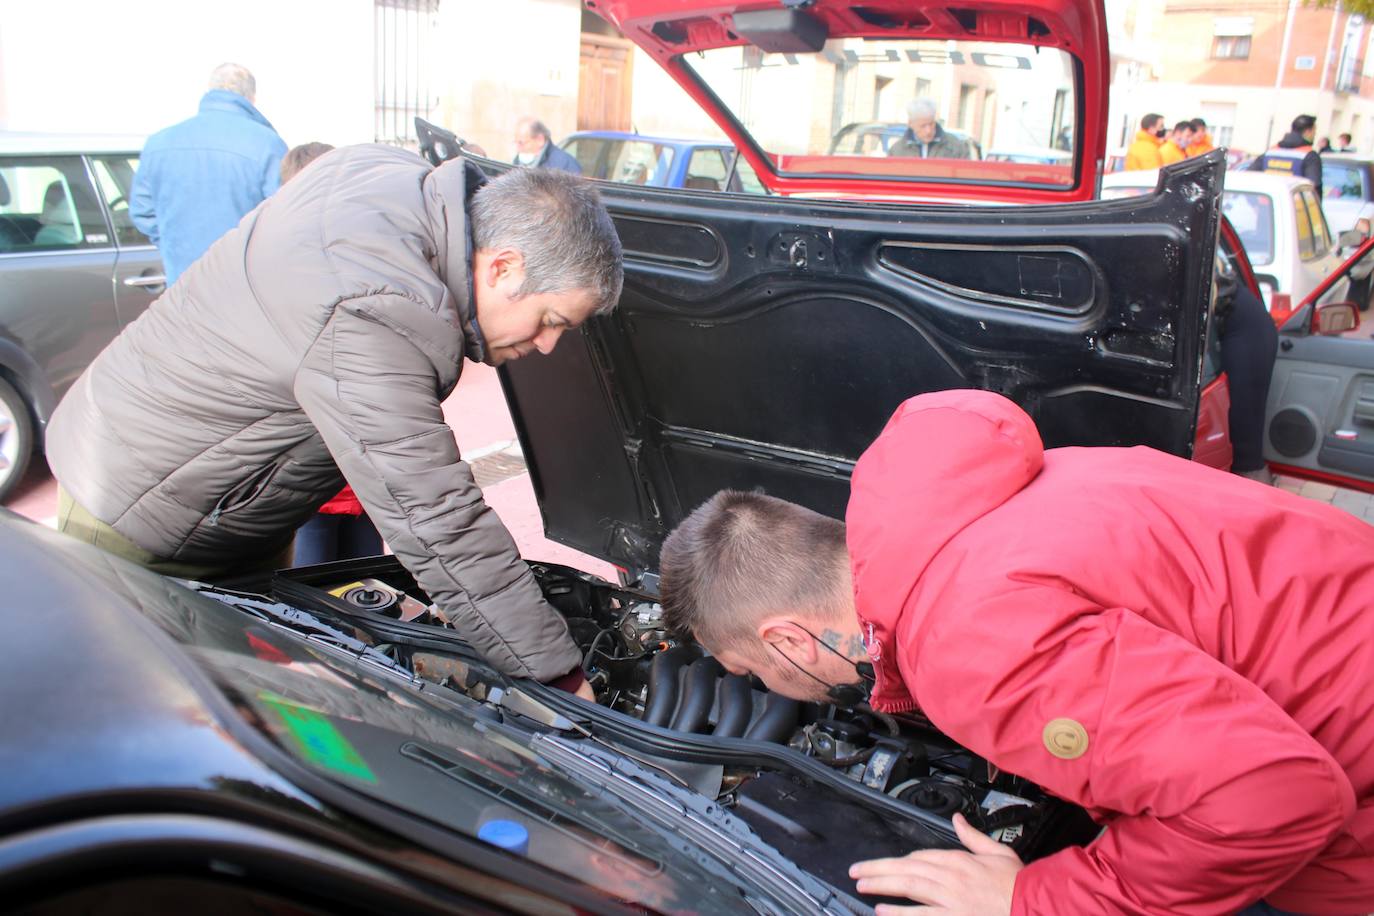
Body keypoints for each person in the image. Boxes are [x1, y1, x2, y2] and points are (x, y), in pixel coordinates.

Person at [658, 390, 1372, 915]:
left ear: (786, 638)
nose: (773, 688)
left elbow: (1274, 802)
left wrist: (1032, 897)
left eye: (752, 670)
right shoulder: (969, 501)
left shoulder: (970, 645)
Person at [47, 145, 623, 698]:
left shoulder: (390, 177)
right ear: (502, 266)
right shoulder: (377, 306)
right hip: (144, 515)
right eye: (550, 319)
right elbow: (435, 517)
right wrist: (557, 676)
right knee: (162, 715)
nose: (548, 345)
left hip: (210, 485)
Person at [130, 63, 288, 284]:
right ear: (251, 97)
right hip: (244, 286)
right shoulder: (267, 143)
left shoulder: (159, 143)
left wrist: (175, 245)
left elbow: (142, 211)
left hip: (183, 286)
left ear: (209, 91)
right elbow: (286, 218)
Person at [1251, 114, 1323, 197]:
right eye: (1314, 132)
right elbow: (1314, 188)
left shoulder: (1270, 152)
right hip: (1294, 207)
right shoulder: (1310, 156)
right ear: (1307, 132)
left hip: (1266, 206)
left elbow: (1249, 179)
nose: (1315, 135)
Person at [888, 99, 975, 159]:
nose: (928, 131)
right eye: (923, 126)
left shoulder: (956, 146)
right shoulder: (897, 150)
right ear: (911, 124)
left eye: (931, 124)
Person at [512, 117, 582, 174]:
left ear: (540, 140)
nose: (517, 148)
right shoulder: (518, 162)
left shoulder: (566, 165)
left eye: (521, 143)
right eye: (516, 142)